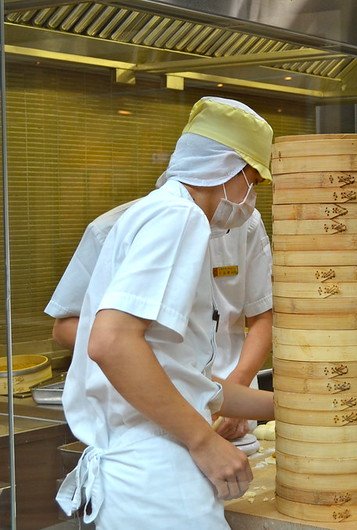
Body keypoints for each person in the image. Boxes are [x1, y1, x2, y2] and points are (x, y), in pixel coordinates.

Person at [54, 96, 275, 529]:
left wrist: (292, 407)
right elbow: (110, 342)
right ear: (228, 170)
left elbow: (185, 381)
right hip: (157, 475)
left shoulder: (157, 212)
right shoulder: (181, 218)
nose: (253, 196)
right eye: (254, 180)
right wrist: (203, 441)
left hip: (150, 468)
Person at [46, 185, 273, 441]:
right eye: (250, 179)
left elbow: (263, 317)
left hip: (234, 410)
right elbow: (76, 329)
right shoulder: (116, 227)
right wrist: (147, 360)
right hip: (148, 411)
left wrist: (238, 396)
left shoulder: (244, 222)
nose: (250, 192)